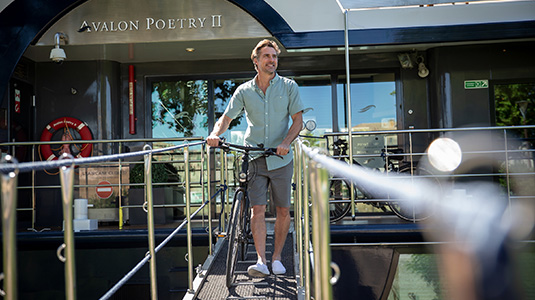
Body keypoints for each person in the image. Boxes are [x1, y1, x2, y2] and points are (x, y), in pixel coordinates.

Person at [206, 39, 305, 277]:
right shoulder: (244, 91)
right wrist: (214, 134)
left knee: (282, 211)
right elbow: (226, 118)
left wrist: (285, 143)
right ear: (256, 61)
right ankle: (261, 261)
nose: (272, 60)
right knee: (257, 209)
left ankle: (277, 258)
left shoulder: (289, 86)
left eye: (274, 56)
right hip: (254, 157)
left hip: (281, 158)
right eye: (267, 56)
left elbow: (298, 122)